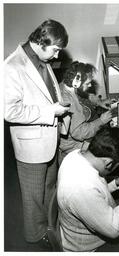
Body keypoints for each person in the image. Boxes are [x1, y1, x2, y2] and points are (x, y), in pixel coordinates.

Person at [4, 19, 70, 246]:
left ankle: (49, 224)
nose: (57, 56)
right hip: (31, 146)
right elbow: (10, 112)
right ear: (42, 42)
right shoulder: (12, 66)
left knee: (49, 188)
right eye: (56, 49)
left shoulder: (43, 60)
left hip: (49, 140)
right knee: (33, 197)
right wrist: (51, 111)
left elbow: (47, 92)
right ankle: (35, 235)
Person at [57, 126, 119, 252]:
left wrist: (116, 183)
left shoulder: (74, 156)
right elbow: (115, 228)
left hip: (89, 228)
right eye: (117, 166)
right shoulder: (81, 188)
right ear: (108, 163)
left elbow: (95, 192)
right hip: (90, 247)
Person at [58, 61, 112, 165]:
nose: (90, 85)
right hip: (74, 148)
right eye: (87, 83)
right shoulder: (68, 101)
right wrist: (101, 120)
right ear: (76, 82)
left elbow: (83, 94)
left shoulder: (67, 85)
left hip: (74, 141)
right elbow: (79, 133)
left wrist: (99, 102)